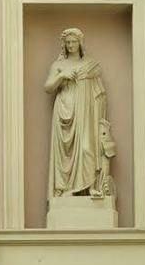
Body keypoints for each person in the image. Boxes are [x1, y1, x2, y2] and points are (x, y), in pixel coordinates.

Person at [44, 27, 116, 203]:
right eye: (67, 42)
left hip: (86, 112)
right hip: (64, 111)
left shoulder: (90, 65)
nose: (70, 45)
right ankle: (65, 189)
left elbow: (100, 93)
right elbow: (48, 87)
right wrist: (62, 76)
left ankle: (91, 187)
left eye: (73, 42)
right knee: (64, 155)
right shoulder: (58, 65)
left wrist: (98, 120)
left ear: (80, 43)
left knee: (86, 148)